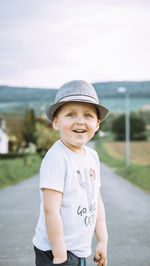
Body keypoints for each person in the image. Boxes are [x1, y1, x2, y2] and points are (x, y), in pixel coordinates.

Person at [32, 80, 110, 266]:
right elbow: (51, 210)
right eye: (71, 114)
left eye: (88, 115)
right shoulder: (57, 158)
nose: (80, 121)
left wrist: (102, 240)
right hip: (55, 250)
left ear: (97, 124)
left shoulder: (92, 156)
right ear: (56, 123)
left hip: (79, 249)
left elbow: (96, 202)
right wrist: (59, 256)